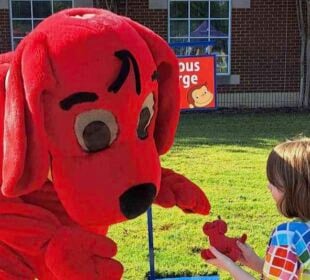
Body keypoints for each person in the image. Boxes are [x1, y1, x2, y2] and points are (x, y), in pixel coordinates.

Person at [205, 138, 310, 279]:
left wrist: (229, 266)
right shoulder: (304, 231)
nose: (269, 186)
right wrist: (254, 262)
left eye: (274, 182)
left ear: (294, 188)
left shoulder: (287, 235)